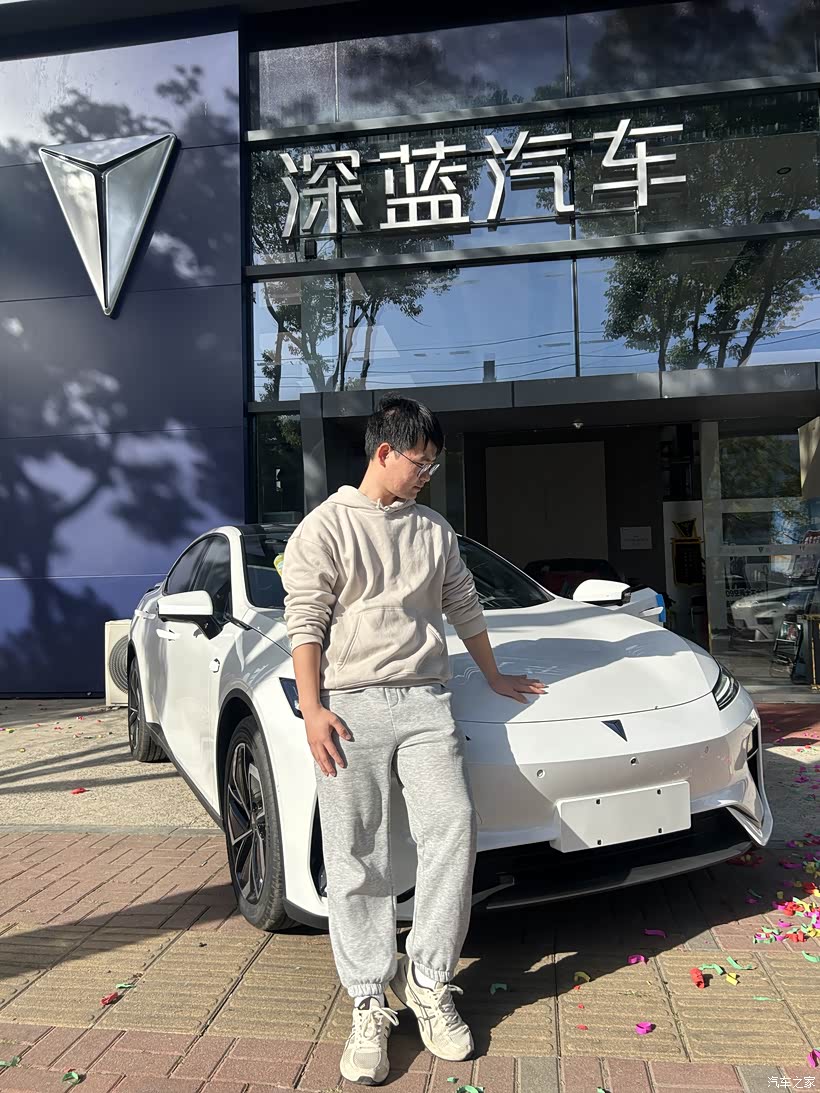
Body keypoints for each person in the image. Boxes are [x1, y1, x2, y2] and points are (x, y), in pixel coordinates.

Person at [282, 395, 545, 1085]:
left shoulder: (434, 530)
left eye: (433, 466)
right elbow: (305, 619)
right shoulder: (325, 527)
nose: (427, 476)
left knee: (452, 825)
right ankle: (369, 997)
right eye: (420, 463)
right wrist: (312, 709)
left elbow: (462, 603)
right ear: (383, 452)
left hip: (427, 702)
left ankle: (427, 980)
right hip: (350, 707)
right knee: (356, 851)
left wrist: (495, 674)